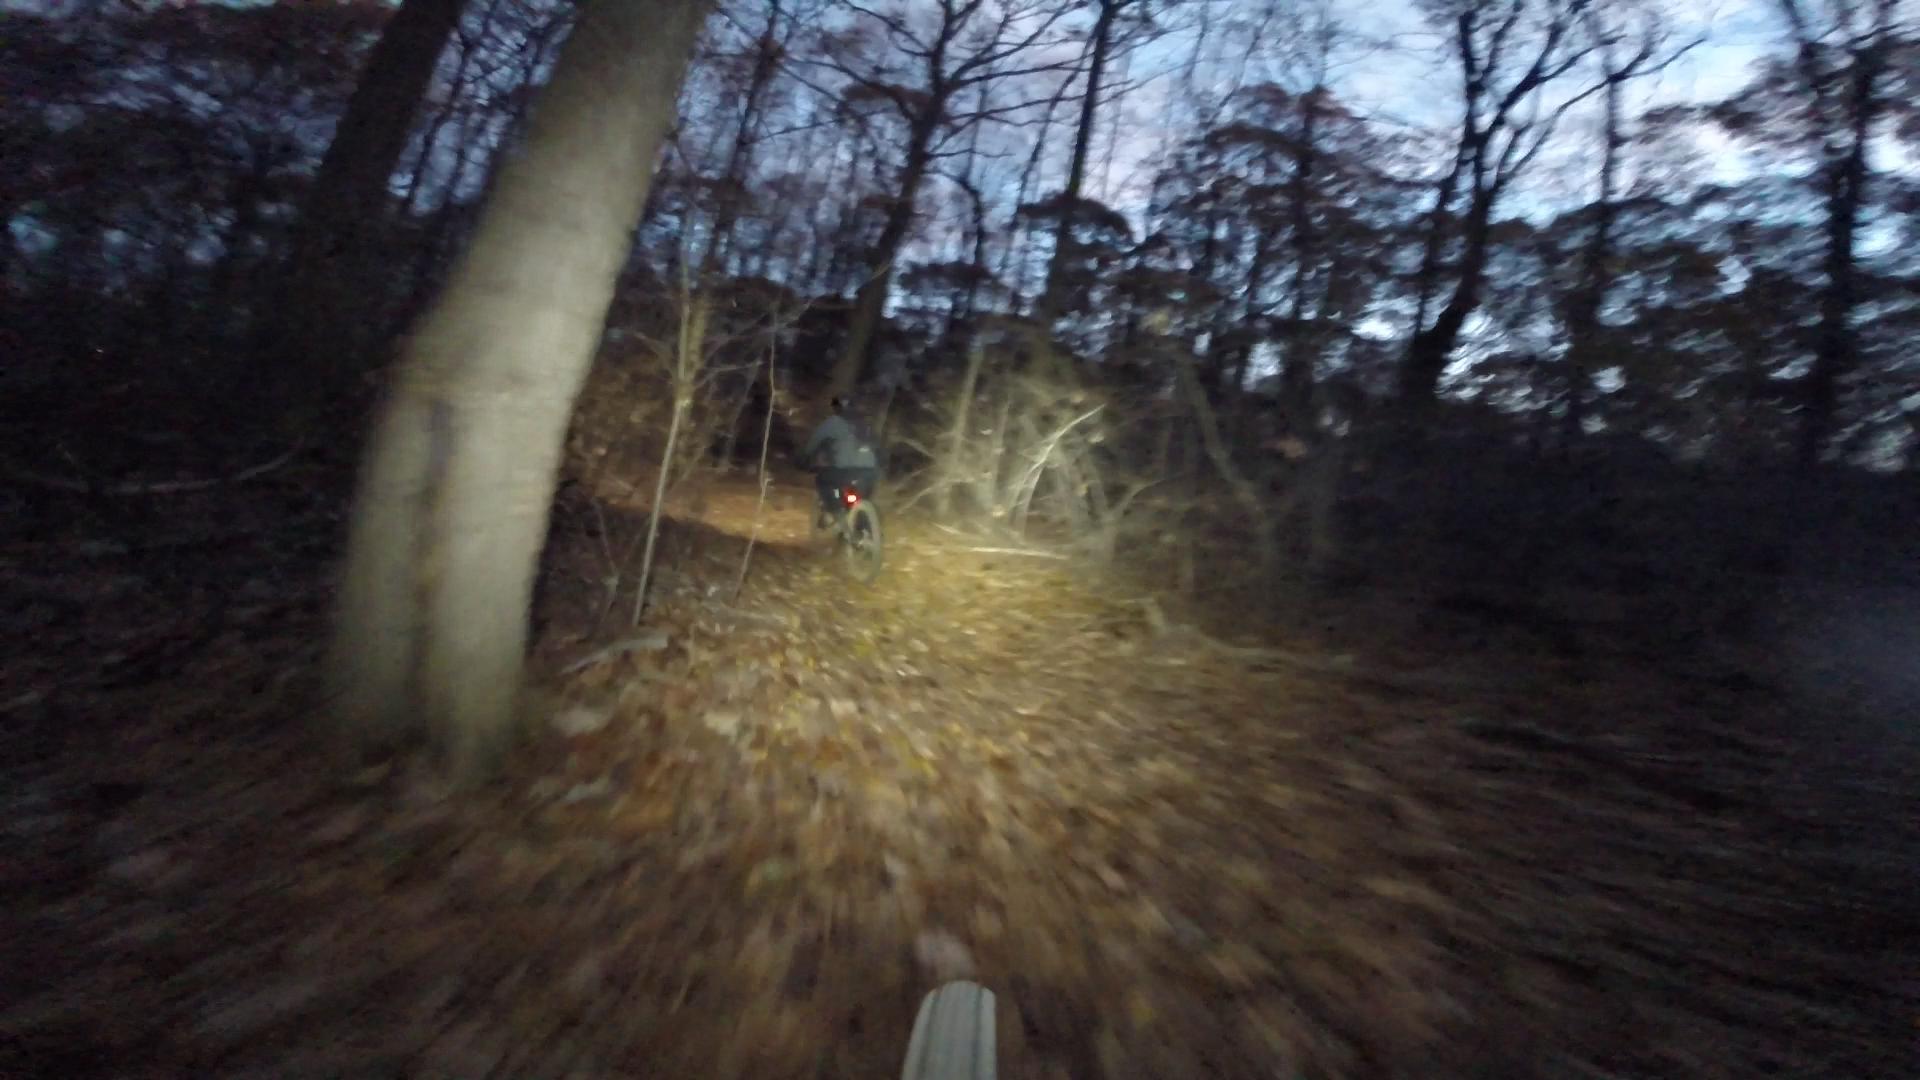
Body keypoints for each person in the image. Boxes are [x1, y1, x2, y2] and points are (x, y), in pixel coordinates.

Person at [798, 396, 880, 523]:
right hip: (870, 472)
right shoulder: (865, 423)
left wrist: (803, 458)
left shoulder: (833, 422)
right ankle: (863, 523)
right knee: (860, 496)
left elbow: (814, 442)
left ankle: (833, 512)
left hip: (844, 471)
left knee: (823, 480)